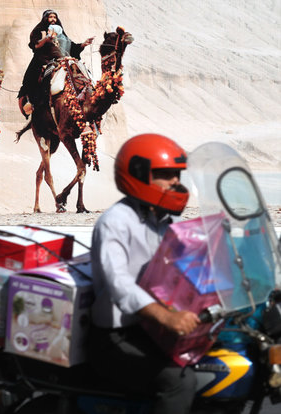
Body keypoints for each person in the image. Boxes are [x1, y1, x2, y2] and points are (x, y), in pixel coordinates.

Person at [88, 133, 200, 414]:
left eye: (177, 174)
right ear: (138, 174)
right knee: (179, 381)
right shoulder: (114, 223)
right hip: (118, 336)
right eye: (166, 174)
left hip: (155, 330)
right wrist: (167, 317)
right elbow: (120, 285)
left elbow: (192, 265)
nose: (175, 181)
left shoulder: (169, 220)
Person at [18, 9, 94, 114]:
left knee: (82, 73)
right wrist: (47, 38)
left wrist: (84, 44)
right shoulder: (41, 31)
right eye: (51, 17)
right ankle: (32, 103)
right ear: (46, 19)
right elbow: (36, 45)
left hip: (64, 60)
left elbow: (72, 47)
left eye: (55, 17)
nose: (53, 19)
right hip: (45, 60)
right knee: (34, 77)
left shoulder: (62, 34)